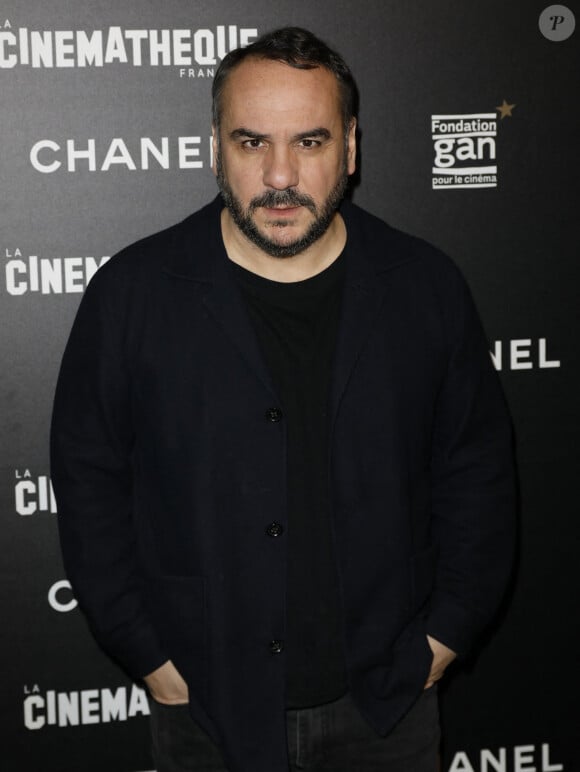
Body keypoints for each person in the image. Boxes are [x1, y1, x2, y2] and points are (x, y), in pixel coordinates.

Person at [51, 26, 516, 772]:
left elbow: (478, 473)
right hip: (206, 707)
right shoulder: (132, 295)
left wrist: (444, 638)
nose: (279, 175)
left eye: (309, 141)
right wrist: (149, 654)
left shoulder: (425, 287)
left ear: (351, 148)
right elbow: (88, 481)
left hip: (387, 708)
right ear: (213, 148)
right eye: (250, 142)